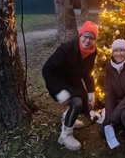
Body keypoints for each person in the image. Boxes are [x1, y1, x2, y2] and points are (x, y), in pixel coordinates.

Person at [42, 21, 98, 151]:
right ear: (80, 35)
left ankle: (67, 118)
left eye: (92, 38)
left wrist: (91, 92)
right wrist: (59, 92)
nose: (88, 40)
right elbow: (47, 69)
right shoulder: (66, 49)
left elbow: (88, 73)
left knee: (84, 105)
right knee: (77, 103)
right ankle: (65, 135)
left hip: (74, 82)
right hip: (59, 82)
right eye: (86, 36)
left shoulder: (93, 52)